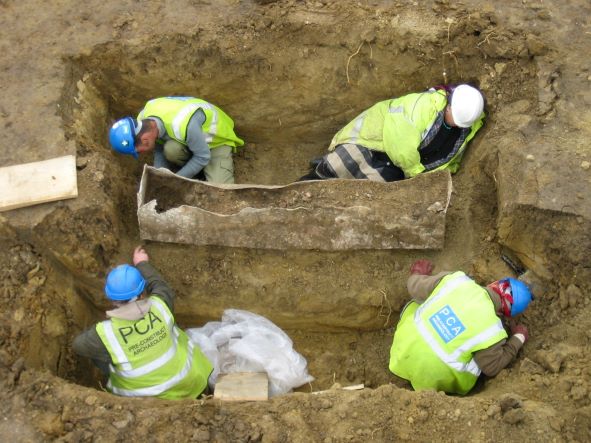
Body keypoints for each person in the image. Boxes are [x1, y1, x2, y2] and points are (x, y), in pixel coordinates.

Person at [73, 246, 213, 400]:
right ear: (142, 293)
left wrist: (107, 362)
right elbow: (159, 285)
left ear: (111, 298)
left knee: (101, 353)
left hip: (142, 402)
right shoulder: (161, 305)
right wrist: (141, 263)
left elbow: (78, 345)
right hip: (189, 386)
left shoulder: (105, 334)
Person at [389, 259, 533, 395]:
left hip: (401, 353)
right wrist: (518, 338)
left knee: (419, 303)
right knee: (479, 355)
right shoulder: (494, 331)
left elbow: (415, 287)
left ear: (494, 284)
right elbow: (492, 367)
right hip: (434, 381)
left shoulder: (455, 280)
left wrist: (417, 274)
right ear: (505, 313)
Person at [301, 84, 485, 181]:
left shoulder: (468, 125)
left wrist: (425, 178)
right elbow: (401, 147)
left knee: (368, 190)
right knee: (340, 165)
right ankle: (310, 181)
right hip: (372, 139)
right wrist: (415, 175)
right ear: (449, 106)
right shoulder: (422, 106)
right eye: (458, 121)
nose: (460, 127)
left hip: (398, 166)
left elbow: (451, 162)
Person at [109, 97, 244, 183]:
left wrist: (176, 180)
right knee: (171, 150)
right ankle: (197, 173)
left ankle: (206, 172)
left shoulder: (184, 125)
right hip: (193, 139)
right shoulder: (144, 119)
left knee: (220, 190)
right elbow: (159, 146)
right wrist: (159, 174)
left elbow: (203, 157)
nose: (140, 153)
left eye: (139, 151)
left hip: (215, 141)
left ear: (145, 140)